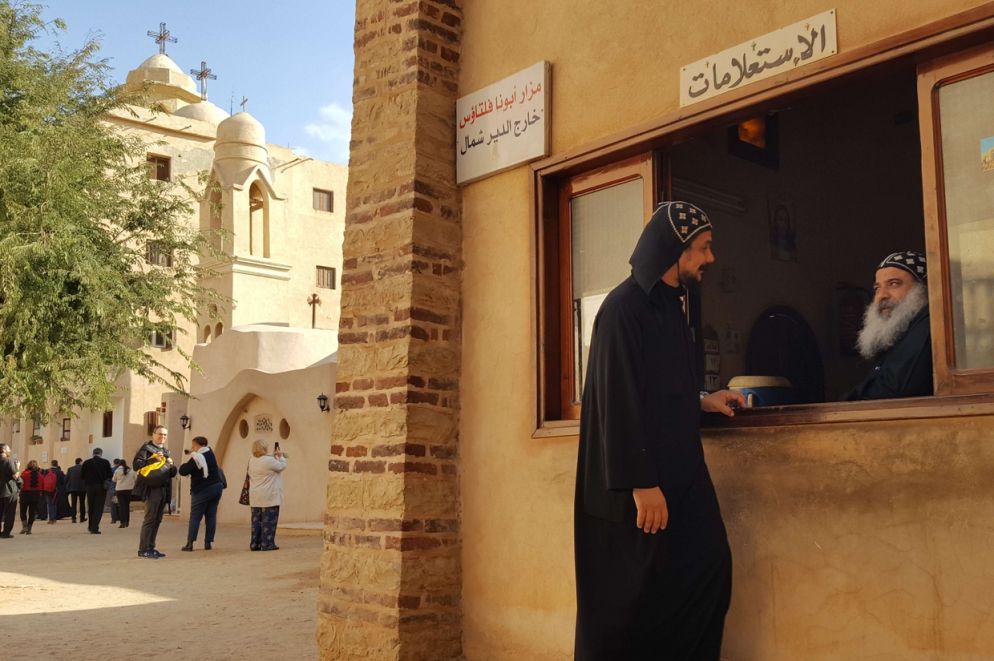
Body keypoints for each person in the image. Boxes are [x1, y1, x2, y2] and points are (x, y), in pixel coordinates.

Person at [573, 201, 746, 660]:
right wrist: (641, 482)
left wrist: (701, 400)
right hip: (636, 489)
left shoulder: (672, 308)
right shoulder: (622, 309)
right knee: (631, 605)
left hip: (681, 479)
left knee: (706, 571)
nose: (710, 258)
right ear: (676, 248)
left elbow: (659, 387)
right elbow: (616, 398)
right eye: (703, 248)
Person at [844, 250, 932, 401]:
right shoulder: (897, 333)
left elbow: (896, 390)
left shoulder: (928, 323)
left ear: (922, 288)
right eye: (877, 288)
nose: (882, 295)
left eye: (894, 284)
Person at [133, 425, 176, 559]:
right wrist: (153, 459)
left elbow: (171, 473)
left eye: (164, 435)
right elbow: (136, 465)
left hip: (163, 489)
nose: (162, 437)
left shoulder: (166, 451)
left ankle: (151, 547)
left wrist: (171, 465)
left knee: (157, 519)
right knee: (150, 519)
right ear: (153, 434)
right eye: (160, 434)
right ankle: (143, 549)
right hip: (151, 489)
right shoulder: (146, 449)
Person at [178, 436, 224, 551]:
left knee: (195, 517)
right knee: (211, 516)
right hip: (216, 488)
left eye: (193, 445)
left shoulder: (197, 457)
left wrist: (190, 458)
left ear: (198, 445)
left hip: (202, 490)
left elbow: (183, 471)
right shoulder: (210, 453)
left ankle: (190, 543)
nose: (192, 448)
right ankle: (208, 542)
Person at [248, 439, 287, 551]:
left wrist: (273, 456)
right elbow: (282, 466)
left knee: (256, 522)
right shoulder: (268, 461)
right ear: (264, 448)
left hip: (255, 495)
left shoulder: (252, 459)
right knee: (269, 521)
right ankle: (267, 544)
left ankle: (255, 544)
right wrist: (281, 456)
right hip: (269, 496)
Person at [80, 447, 113, 534]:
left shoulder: (86, 462)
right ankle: (94, 527)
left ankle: (90, 526)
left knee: (91, 506)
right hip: (101, 487)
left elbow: (82, 476)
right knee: (98, 507)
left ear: (93, 453)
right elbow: (110, 475)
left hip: (89, 487)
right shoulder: (105, 462)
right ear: (101, 453)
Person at [0, 444, 22, 538]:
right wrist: (17, 467)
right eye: (8, 448)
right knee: (9, 513)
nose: (10, 450)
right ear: (4, 450)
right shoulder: (8, 461)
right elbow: (15, 476)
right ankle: (6, 533)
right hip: (9, 490)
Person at [18, 460, 43, 535]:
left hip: (25, 494)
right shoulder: (40, 475)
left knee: (23, 511)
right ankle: (29, 529)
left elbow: (20, 483)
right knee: (32, 512)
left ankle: (24, 527)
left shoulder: (24, 474)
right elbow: (42, 485)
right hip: (35, 495)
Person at [113, 459, 136, 528]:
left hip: (119, 490)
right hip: (129, 490)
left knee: (121, 506)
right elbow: (135, 478)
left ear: (119, 464)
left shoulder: (117, 471)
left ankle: (122, 523)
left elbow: (114, 480)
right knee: (127, 506)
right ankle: (127, 522)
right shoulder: (131, 470)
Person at [65, 457, 86, 523]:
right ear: (80, 462)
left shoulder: (70, 469)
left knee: (73, 503)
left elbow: (66, 479)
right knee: (82, 503)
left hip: (73, 488)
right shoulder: (84, 468)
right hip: (82, 488)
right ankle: (82, 518)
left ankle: (73, 518)